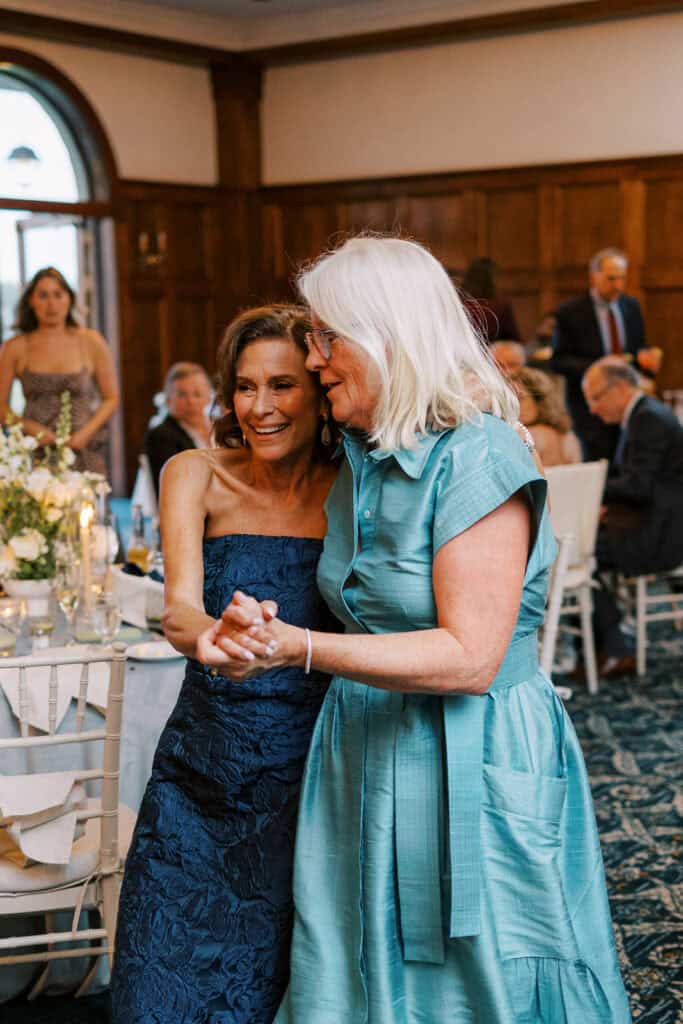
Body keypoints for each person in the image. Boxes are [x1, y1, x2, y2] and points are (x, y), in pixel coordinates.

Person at [214, 237, 631, 1023]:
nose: (313, 357)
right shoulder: (363, 452)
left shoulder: (478, 455)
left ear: (388, 334)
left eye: (327, 336)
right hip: (362, 746)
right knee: (356, 966)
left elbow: (470, 657)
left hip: (470, 749)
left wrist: (299, 647)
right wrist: (251, 625)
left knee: (483, 983)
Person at [110, 305, 339, 1024]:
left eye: (282, 385)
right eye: (244, 386)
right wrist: (212, 635)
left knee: (279, 988)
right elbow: (177, 607)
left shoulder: (354, 487)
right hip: (200, 772)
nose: (258, 407)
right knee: (158, 986)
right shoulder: (193, 473)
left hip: (312, 776)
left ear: (320, 391)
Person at [582, 356, 683, 676]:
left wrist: (589, 488)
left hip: (662, 535)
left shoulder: (648, 418)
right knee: (581, 549)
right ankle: (612, 638)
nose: (592, 409)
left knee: (578, 555)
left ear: (620, 387)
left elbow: (639, 486)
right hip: (656, 522)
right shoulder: (645, 414)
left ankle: (614, 645)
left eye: (596, 398)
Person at [0, 266, 119, 474]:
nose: (51, 304)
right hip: (36, 450)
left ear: (69, 299)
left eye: (58, 294)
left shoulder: (91, 342)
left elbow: (111, 398)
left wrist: (85, 434)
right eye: (43, 295)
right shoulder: (15, 347)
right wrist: (31, 429)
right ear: (31, 301)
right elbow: (1, 405)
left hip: (85, 448)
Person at [551, 247, 659, 461]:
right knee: (598, 466)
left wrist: (646, 361)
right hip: (591, 408)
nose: (618, 285)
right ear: (594, 276)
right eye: (611, 278)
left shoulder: (631, 306)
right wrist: (602, 367)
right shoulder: (570, 312)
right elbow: (558, 361)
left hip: (626, 404)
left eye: (622, 278)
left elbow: (637, 350)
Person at [143, 360, 214, 495]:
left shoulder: (219, 428)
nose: (191, 401)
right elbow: (171, 487)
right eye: (182, 395)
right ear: (168, 399)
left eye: (197, 394)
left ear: (209, 397)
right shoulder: (161, 436)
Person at [515, 366, 581, 466]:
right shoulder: (569, 436)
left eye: (520, 398)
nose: (515, 405)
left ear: (539, 399)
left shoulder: (529, 435)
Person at [460, 256, 521, 342]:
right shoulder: (500, 307)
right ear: (493, 280)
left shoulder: (459, 305)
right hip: (494, 350)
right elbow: (514, 341)